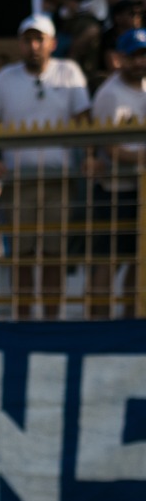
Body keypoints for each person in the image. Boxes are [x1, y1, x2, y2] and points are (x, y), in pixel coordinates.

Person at [0, 14, 90, 318]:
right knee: (22, 256)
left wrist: (90, 156)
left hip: (60, 179)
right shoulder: (5, 76)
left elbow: (86, 121)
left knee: (55, 255)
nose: (33, 45)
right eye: (28, 39)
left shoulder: (69, 72)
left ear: (52, 43)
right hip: (18, 181)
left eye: (39, 39)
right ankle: (25, 320)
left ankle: (51, 321)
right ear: (19, 44)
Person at [88, 27, 146, 317]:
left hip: (141, 191)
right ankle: (98, 323)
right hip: (115, 191)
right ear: (120, 58)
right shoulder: (110, 94)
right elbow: (108, 148)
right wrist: (141, 158)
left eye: (143, 55)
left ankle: (130, 319)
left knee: (139, 260)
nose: (140, 62)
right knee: (107, 260)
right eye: (134, 56)